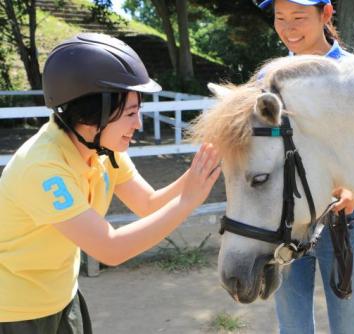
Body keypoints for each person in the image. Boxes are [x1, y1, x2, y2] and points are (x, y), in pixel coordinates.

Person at [0, 33, 221, 334]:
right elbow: (110, 249)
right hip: (14, 313)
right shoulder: (42, 168)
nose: (139, 124)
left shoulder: (101, 150)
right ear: (95, 113)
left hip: (63, 298)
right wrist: (187, 202)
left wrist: (197, 174)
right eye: (131, 113)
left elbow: (148, 204)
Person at [258, 1, 354, 333]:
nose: (288, 27)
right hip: (285, 226)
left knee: (349, 328)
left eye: (298, 17)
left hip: (342, 224)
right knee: (292, 328)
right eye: (280, 18)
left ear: (326, 14)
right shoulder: (270, 77)